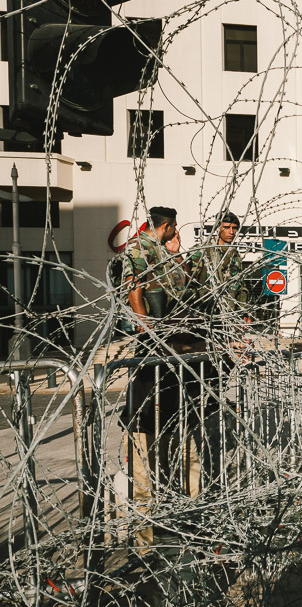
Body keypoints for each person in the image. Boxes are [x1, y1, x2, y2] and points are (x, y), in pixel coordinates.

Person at [122, 206, 193, 544]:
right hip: (154, 341)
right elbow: (134, 284)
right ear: (165, 226)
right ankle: (146, 537)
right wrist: (146, 324)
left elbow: (182, 288)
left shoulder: (163, 252)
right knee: (148, 420)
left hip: (171, 340)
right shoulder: (139, 247)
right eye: (173, 227)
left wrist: (177, 254)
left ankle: (172, 518)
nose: (174, 232)